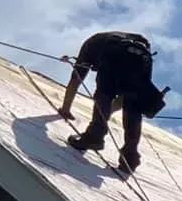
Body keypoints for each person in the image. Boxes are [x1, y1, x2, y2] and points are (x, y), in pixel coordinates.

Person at [57, 31, 166, 174]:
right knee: (134, 104)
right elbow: (122, 101)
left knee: (104, 92)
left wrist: (65, 109)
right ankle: (130, 158)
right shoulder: (132, 40)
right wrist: (107, 113)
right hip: (143, 56)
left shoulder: (89, 47)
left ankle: (94, 136)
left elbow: (75, 80)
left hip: (115, 51)